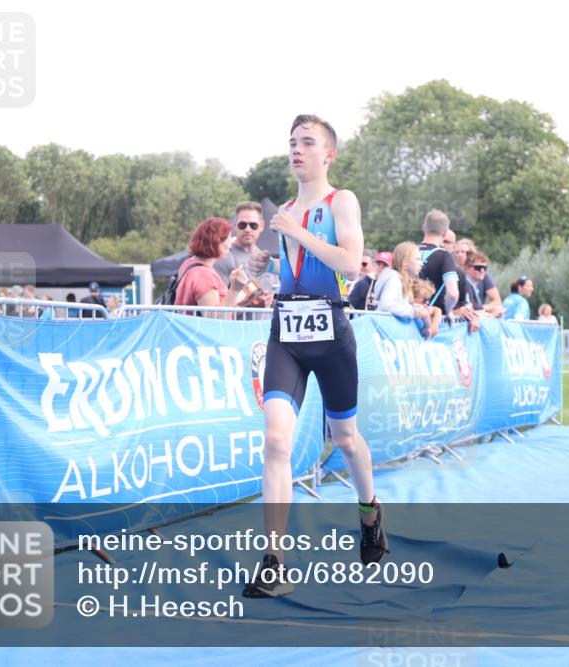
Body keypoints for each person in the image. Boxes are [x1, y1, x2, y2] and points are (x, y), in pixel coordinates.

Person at [243, 114, 387, 599]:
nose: (297, 150)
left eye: (308, 142)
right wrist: (266, 264)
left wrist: (296, 235)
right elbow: (293, 271)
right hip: (286, 330)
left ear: (329, 154)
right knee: (276, 441)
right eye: (292, 143)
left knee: (346, 438)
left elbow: (349, 263)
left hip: (331, 331)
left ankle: (370, 512)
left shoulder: (340, 201)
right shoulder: (283, 210)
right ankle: (274, 561)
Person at [174, 217, 248, 317]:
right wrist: (235, 289)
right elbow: (213, 319)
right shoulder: (205, 275)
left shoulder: (188, 263)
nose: (230, 243)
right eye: (228, 238)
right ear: (217, 241)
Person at [213, 201, 276, 307]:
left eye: (253, 225)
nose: (248, 229)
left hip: (265, 323)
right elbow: (217, 310)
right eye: (242, 225)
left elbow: (276, 301)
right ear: (234, 225)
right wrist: (250, 304)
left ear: (261, 226)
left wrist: (272, 301)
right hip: (236, 323)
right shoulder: (223, 258)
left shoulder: (268, 261)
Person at [368, 243, 436, 337]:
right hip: (384, 333)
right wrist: (413, 311)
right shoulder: (394, 279)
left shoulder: (400, 279)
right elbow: (387, 305)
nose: (422, 263)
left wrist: (416, 308)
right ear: (404, 262)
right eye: (417, 259)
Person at [418, 209, 459, 315]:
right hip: (432, 319)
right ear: (445, 233)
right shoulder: (444, 256)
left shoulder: (407, 251)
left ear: (424, 228)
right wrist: (447, 311)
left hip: (405, 318)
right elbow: (453, 294)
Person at [464, 252, 505, 317]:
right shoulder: (465, 286)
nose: (482, 271)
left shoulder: (472, 287)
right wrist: (492, 315)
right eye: (478, 267)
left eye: (485, 268)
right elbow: (470, 314)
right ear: (466, 268)